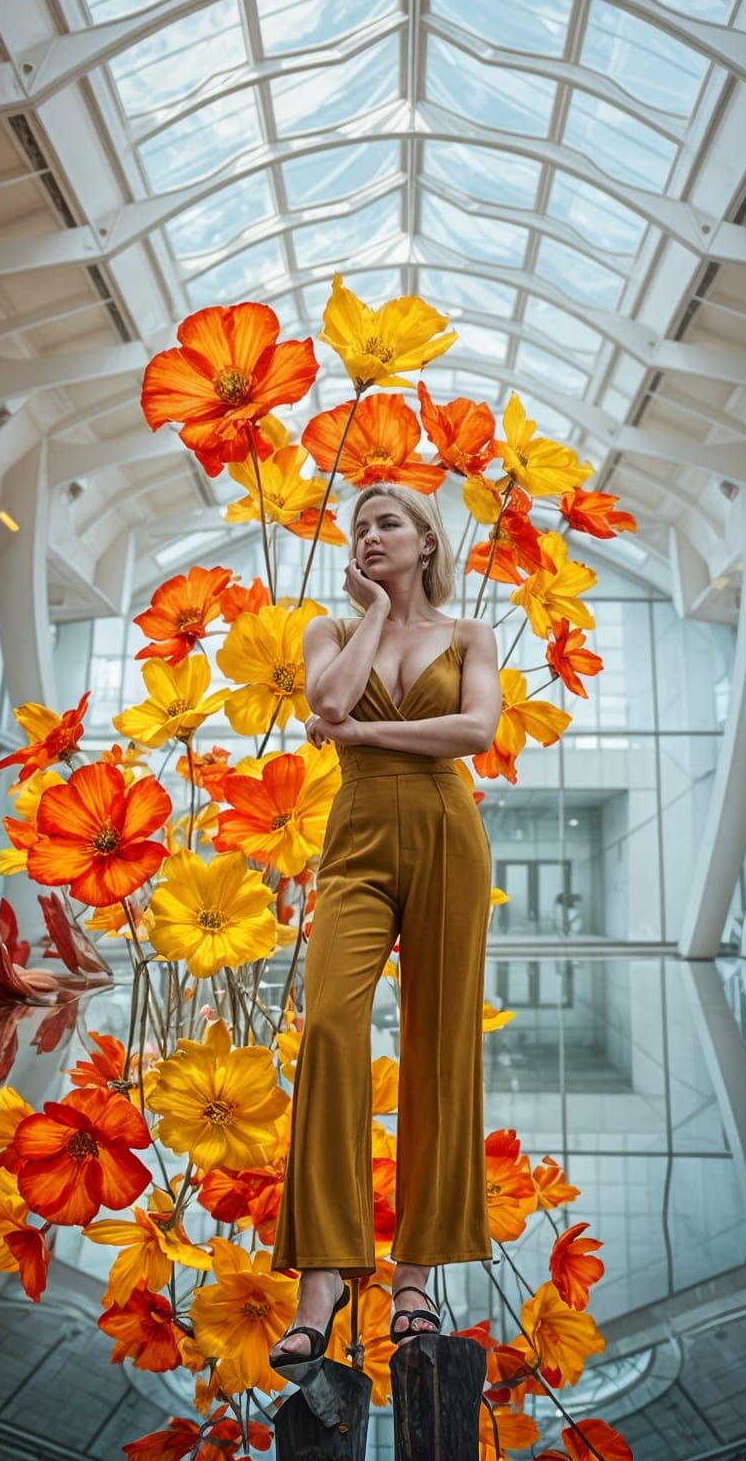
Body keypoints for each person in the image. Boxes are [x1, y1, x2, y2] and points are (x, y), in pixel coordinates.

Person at [268, 481, 501, 1375]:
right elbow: (327, 704)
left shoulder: (467, 635)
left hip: (449, 834)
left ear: (427, 540)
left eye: (387, 523)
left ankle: (413, 1274)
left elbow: (476, 730)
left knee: (441, 1047)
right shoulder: (331, 629)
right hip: (359, 837)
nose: (369, 535)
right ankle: (323, 1277)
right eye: (359, 526)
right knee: (329, 1026)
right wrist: (368, 614)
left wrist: (364, 734)